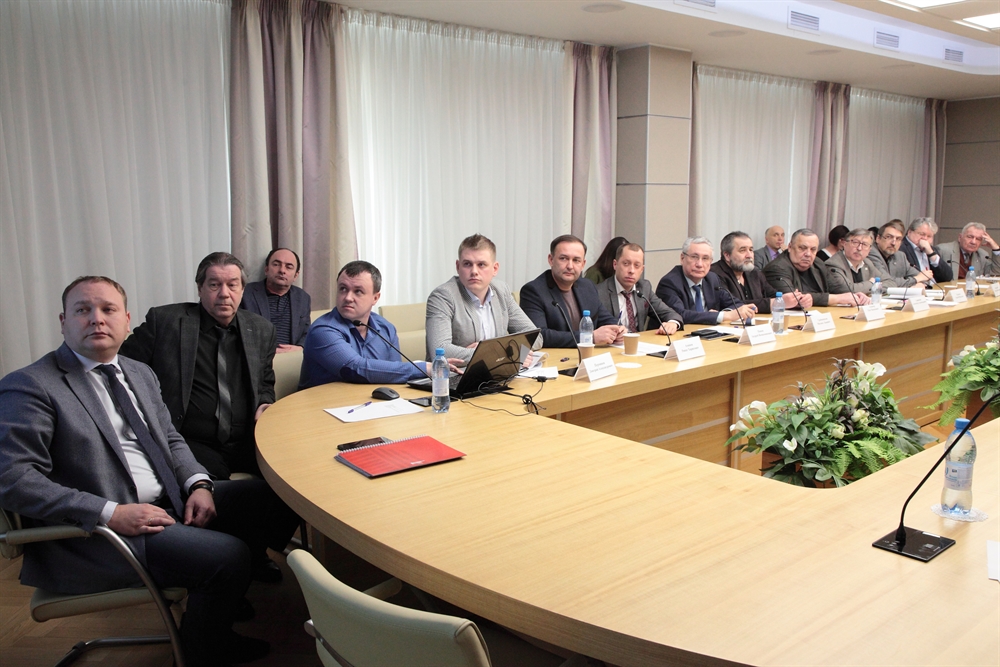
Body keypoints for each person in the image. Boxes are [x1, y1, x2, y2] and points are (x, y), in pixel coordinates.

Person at [0, 276, 272, 666]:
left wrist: (198, 483)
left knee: (262, 497)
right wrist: (110, 513)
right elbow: (13, 480)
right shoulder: (31, 386)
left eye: (108, 309)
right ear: (63, 322)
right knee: (229, 557)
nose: (97, 319)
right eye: (82, 310)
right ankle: (202, 650)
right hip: (101, 533)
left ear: (126, 321)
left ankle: (216, 606)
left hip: (166, 500)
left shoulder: (138, 372)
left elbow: (170, 438)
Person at [120, 252, 297, 583]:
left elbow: (265, 383)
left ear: (243, 289)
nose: (224, 294)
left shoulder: (260, 329)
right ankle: (222, 570)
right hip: (190, 439)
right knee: (216, 491)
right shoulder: (166, 322)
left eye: (232, 285)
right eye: (214, 285)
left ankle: (256, 550)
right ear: (200, 288)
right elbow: (122, 368)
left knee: (293, 478)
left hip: (247, 437)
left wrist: (265, 403)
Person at [301, 261, 462, 387]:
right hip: (322, 409)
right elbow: (356, 368)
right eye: (343, 289)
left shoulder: (385, 328)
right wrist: (424, 368)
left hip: (370, 405)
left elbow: (393, 375)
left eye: (358, 291)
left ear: (375, 298)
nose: (348, 297)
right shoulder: (322, 330)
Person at [425, 234, 542, 362]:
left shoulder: (501, 290)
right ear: (458, 267)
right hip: (456, 373)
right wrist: (501, 354)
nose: (474, 271)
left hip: (498, 371)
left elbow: (535, 338)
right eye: (467, 264)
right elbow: (440, 351)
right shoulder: (443, 296)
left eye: (481, 264)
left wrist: (493, 352)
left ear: (495, 268)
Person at [520, 235, 624, 348]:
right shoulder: (533, 291)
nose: (570, 266)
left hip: (589, 355)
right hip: (556, 357)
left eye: (576, 260)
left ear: (583, 264)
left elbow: (605, 318)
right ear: (551, 260)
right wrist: (589, 337)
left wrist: (618, 330)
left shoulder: (587, 286)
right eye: (563, 258)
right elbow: (539, 335)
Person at [655, 237, 756, 325]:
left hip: (707, 334)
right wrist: (723, 316)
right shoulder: (670, 282)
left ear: (711, 262)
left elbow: (736, 303)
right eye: (694, 257)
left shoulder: (712, 278)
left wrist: (725, 314)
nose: (699, 264)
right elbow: (679, 315)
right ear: (682, 258)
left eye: (705, 258)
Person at [763, 229, 871, 307]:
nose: (808, 254)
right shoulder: (777, 268)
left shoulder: (817, 263)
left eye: (813, 249)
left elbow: (836, 288)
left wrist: (855, 295)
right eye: (802, 248)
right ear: (790, 247)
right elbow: (793, 299)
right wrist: (837, 298)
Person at [596, 243, 682, 335]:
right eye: (626, 264)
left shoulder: (644, 287)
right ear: (615, 264)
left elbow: (669, 313)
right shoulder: (599, 292)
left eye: (637, 265)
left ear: (642, 269)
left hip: (639, 341)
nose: (631, 271)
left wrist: (673, 323)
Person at [712, 232, 806, 314]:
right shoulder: (714, 274)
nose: (749, 255)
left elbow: (772, 294)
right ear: (727, 256)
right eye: (743, 250)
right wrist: (773, 303)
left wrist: (795, 301)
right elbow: (731, 304)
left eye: (751, 250)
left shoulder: (754, 272)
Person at [240, 248, 312, 353]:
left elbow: (307, 332)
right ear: (266, 269)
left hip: (291, 357)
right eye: (276, 264)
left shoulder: (303, 298)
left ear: (296, 275)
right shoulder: (246, 293)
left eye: (289, 267)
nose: (282, 270)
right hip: (256, 357)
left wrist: (301, 347)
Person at [867, 220, 932, 289]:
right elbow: (886, 281)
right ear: (878, 238)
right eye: (889, 237)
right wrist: (916, 280)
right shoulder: (870, 253)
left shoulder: (900, 256)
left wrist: (918, 281)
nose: (893, 243)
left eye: (898, 239)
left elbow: (924, 278)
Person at [824, 228, 887, 294]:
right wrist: (871, 283)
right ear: (845, 244)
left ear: (869, 250)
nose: (859, 248)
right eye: (855, 242)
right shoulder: (833, 264)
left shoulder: (867, 263)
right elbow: (847, 290)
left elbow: (889, 282)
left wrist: (874, 286)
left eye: (865, 244)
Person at [899, 217, 953, 284]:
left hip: (934, 288)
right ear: (909, 232)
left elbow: (947, 277)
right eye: (922, 234)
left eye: (929, 236)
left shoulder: (931, 250)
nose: (925, 238)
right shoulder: (900, 248)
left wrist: (931, 254)